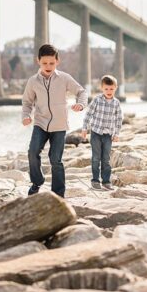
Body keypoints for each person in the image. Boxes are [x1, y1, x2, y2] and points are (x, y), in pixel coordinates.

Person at [21, 44, 88, 198]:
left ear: (57, 61)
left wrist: (81, 104)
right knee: (32, 152)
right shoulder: (33, 81)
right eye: (44, 63)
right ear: (38, 61)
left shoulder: (64, 78)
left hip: (59, 125)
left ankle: (58, 194)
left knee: (55, 159)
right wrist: (25, 116)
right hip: (40, 123)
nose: (48, 66)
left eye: (51, 63)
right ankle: (37, 182)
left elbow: (81, 92)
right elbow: (27, 103)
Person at [83, 75, 123, 190]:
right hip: (95, 133)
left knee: (106, 159)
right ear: (102, 88)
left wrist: (116, 134)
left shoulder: (116, 103)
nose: (109, 91)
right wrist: (84, 128)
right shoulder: (97, 100)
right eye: (106, 89)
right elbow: (88, 114)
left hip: (108, 135)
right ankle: (95, 180)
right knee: (96, 158)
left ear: (115, 88)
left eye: (111, 89)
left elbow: (118, 119)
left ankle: (106, 181)